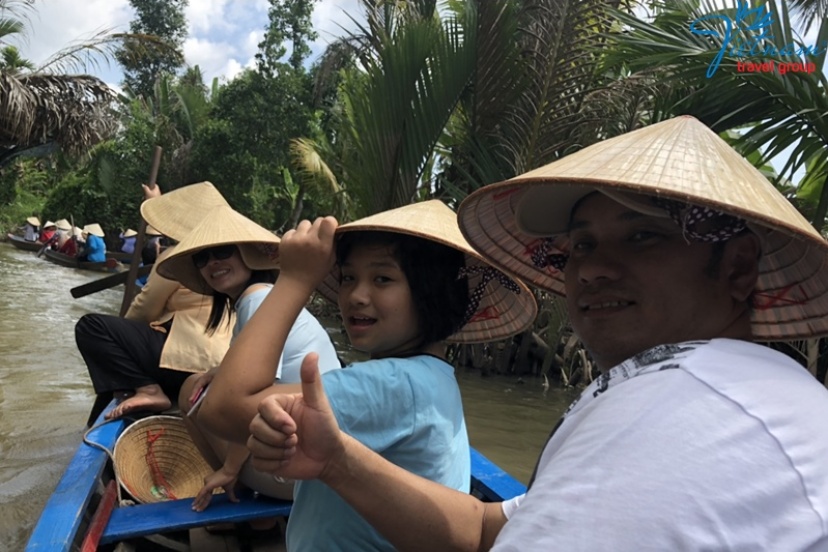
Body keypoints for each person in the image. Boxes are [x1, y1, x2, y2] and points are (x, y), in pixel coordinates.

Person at [245, 116, 828, 551]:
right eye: (580, 245)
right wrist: (338, 461)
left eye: (642, 237)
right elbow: (480, 528)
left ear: (738, 268)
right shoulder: (708, 386)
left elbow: (227, 405)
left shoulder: (694, 401)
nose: (593, 268)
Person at [197, 200, 538, 550]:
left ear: (433, 295)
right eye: (348, 277)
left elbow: (222, 407)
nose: (356, 296)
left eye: (382, 279)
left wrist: (294, 278)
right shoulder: (432, 375)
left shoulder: (390, 383)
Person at [154, 204, 341, 510]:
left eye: (224, 252)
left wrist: (228, 468)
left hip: (301, 472)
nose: (213, 263)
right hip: (311, 456)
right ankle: (245, 492)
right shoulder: (262, 297)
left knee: (192, 391)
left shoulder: (256, 299)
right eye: (203, 258)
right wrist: (219, 370)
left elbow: (262, 403)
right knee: (205, 380)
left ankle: (242, 496)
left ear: (247, 255)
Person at [76, 183, 234, 423]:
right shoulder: (232, 258)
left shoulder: (177, 256)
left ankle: (149, 389)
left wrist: (122, 340)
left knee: (92, 327)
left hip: (185, 362)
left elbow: (144, 310)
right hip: (221, 363)